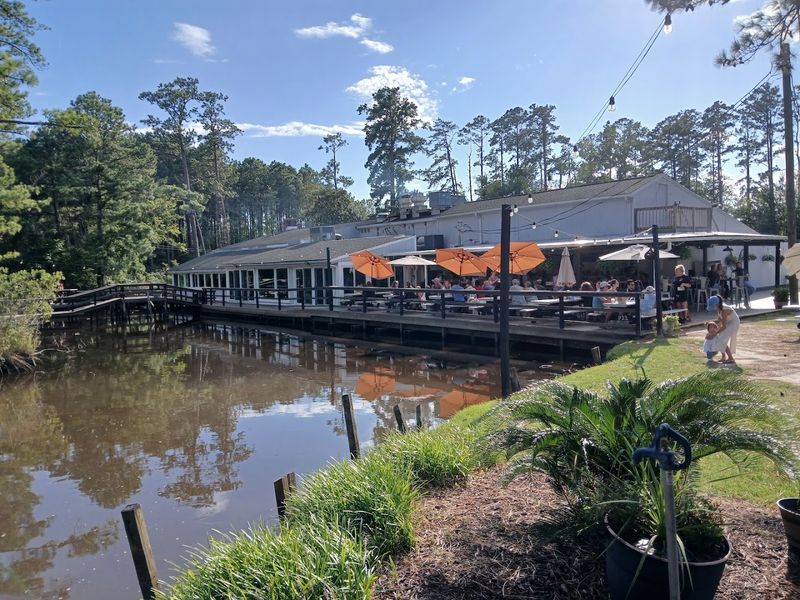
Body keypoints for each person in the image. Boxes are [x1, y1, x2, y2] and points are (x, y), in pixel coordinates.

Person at [707, 294, 740, 364]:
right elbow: (720, 319)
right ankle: (723, 357)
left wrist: (714, 333)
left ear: (717, 304)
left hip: (734, 323)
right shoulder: (719, 308)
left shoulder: (724, 310)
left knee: (722, 339)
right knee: (720, 338)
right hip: (728, 322)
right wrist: (715, 328)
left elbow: (724, 326)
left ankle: (731, 358)